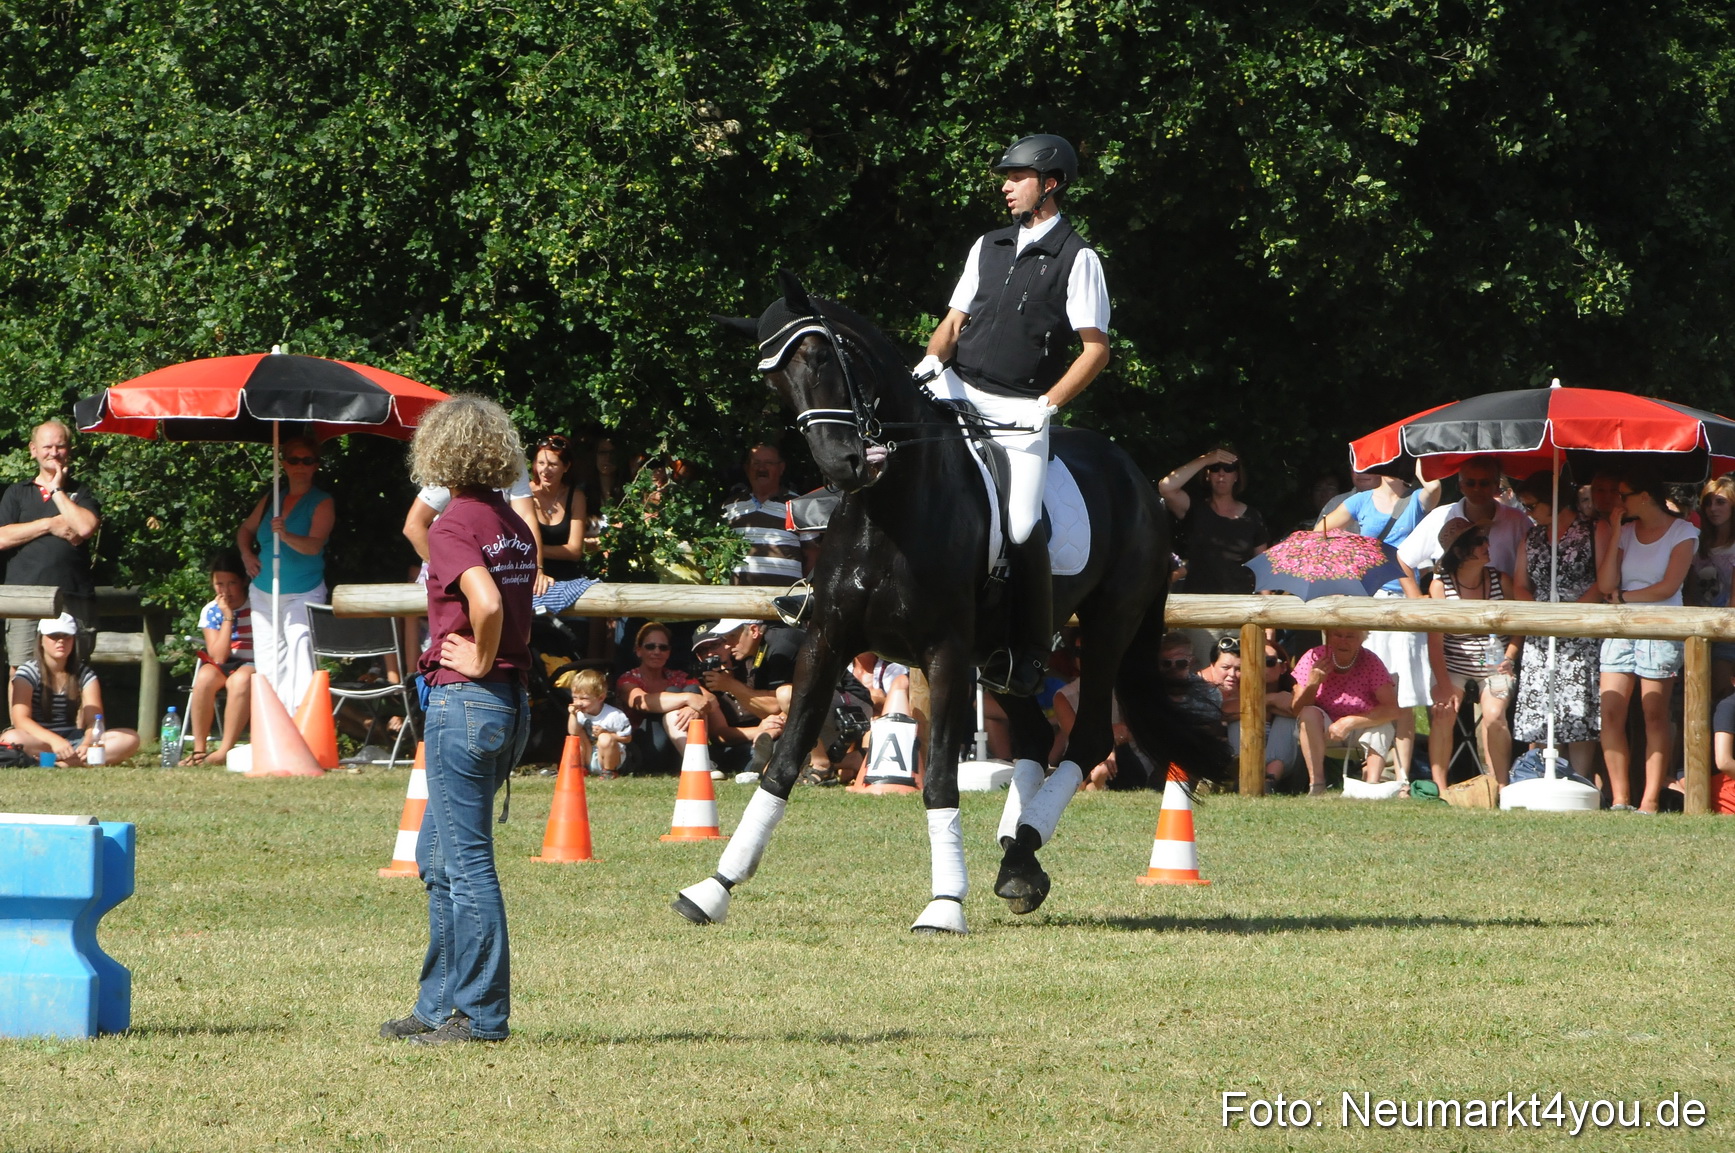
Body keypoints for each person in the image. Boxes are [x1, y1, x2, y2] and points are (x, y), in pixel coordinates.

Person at [915, 133, 1111, 696]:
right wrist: (929, 362)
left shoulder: (1078, 257)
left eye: (1017, 177)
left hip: (1020, 407)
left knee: (1023, 525)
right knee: (886, 454)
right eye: (1006, 177)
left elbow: (1095, 350)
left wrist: (1048, 406)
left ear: (1050, 184)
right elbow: (954, 322)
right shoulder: (988, 245)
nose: (1006, 186)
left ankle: (1028, 649)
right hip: (956, 388)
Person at [381, 394, 535, 1046]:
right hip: (509, 704)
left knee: (467, 865)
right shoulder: (512, 523)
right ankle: (436, 1005)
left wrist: (480, 656)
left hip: (466, 701)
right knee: (436, 857)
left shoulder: (451, 526)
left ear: (439, 454)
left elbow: (486, 601)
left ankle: (480, 1017)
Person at [1319, 464, 1442, 778]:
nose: (1390, 467)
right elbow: (1320, 532)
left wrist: (1415, 458)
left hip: (1404, 602)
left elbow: (1434, 487)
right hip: (1369, 601)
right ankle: (1372, 770)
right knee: (1374, 689)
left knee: (1404, 696)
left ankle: (1402, 778)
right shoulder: (1361, 500)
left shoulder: (1416, 499)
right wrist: (1347, 557)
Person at [1597, 468, 1698, 813]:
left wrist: (1623, 597)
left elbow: (1668, 587)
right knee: (1611, 710)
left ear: (1644, 496)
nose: (1617, 500)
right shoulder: (1626, 531)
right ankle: (1620, 798)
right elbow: (1606, 583)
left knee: (1654, 713)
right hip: (1621, 627)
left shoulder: (1683, 532)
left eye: (1623, 495)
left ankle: (1650, 800)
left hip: (1660, 625)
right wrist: (1615, 532)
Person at [1509, 472, 1602, 778]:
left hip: (1580, 631)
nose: (1528, 512)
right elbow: (1521, 584)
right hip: (1541, 632)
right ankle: (1539, 775)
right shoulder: (1533, 536)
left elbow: (1601, 582)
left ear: (1554, 500)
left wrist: (1570, 617)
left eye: (1532, 505)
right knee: (1541, 711)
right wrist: (1539, 615)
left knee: (1578, 712)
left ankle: (1581, 779)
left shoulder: (1591, 531)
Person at [237, 435, 333, 713]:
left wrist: (286, 535)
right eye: (294, 460)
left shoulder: (322, 501)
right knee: (268, 658)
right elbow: (245, 530)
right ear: (284, 464)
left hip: (303, 591)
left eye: (307, 460)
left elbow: (314, 546)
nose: (300, 466)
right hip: (263, 590)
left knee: (300, 647)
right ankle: (273, 720)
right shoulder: (272, 498)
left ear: (315, 465)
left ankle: (301, 718)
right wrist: (247, 555)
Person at [0, 420, 102, 666]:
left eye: (60, 446)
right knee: (21, 672)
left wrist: (57, 491)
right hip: (24, 599)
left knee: (73, 672)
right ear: (33, 450)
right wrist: (49, 525)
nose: (54, 453)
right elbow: (2, 538)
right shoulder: (17, 492)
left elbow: (85, 527)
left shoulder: (81, 493)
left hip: (71, 595)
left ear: (69, 450)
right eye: (47, 447)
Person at [1426, 519, 1518, 788]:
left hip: (1495, 665)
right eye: (1478, 542)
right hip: (1453, 665)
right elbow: (1435, 643)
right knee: (1443, 713)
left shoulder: (1501, 580)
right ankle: (1440, 788)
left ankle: (1501, 787)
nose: (1487, 545)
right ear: (1459, 551)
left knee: (1494, 714)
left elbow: (1520, 626)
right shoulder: (1440, 586)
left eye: (1486, 539)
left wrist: (1510, 657)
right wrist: (1444, 685)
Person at [2, 613, 138, 765]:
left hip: (74, 740)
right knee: (12, 738)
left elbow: (95, 720)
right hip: (39, 740)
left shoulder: (84, 674)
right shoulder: (27, 673)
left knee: (129, 738)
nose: (61, 641)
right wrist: (54, 740)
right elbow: (21, 719)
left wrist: (87, 743)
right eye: (54, 636)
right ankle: (79, 761)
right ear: (41, 640)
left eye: (67, 636)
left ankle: (58, 762)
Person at [1293, 628, 1401, 795]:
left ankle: (1371, 786)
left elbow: (1392, 710)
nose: (1343, 641)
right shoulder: (1313, 657)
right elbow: (1297, 710)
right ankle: (1317, 786)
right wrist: (1313, 684)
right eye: (1337, 635)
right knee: (1308, 713)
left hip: (1361, 728)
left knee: (1382, 725)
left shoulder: (1370, 661)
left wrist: (1350, 722)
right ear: (1328, 636)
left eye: (1350, 636)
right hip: (1324, 730)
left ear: (1362, 639)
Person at [1397, 456, 1531, 585]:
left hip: (1503, 598)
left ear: (1496, 486)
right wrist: (1416, 596)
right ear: (1461, 486)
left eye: (1484, 483)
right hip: (1449, 599)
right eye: (1470, 483)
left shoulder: (1517, 520)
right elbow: (1402, 559)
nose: (1477, 488)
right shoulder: (1440, 516)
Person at [1159, 446, 1268, 596]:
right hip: (1198, 603)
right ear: (1207, 475)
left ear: (1236, 476)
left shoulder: (1253, 517)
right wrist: (1206, 459)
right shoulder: (1194, 509)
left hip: (1241, 604)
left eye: (1228, 468)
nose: (1221, 473)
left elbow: (1262, 566)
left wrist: (1267, 603)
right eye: (1215, 468)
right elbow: (1166, 487)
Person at [180, 551, 255, 766]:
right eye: (219, 584)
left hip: (253, 662)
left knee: (239, 680)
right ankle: (199, 750)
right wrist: (228, 617)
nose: (225, 591)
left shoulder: (257, 605)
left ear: (243, 582)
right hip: (225, 662)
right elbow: (219, 657)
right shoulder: (212, 611)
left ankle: (224, 750)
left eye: (231, 583)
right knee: (204, 677)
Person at [616, 621, 715, 774]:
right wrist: (688, 699)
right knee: (676, 692)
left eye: (663, 647)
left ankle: (697, 758)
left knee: (692, 690)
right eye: (650, 646)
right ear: (638, 651)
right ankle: (699, 761)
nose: (657, 652)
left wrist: (693, 708)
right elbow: (643, 702)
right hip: (648, 750)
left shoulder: (678, 676)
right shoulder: (628, 679)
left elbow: (710, 699)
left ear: (669, 652)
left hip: (676, 750)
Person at [724, 445, 817, 587]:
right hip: (737, 597)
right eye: (756, 463)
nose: (761, 468)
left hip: (785, 597)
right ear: (747, 468)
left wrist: (804, 591)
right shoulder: (731, 506)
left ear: (781, 468)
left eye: (768, 463)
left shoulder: (799, 505)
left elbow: (812, 554)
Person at [1689, 475, 1735, 699]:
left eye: (1720, 502)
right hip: (1698, 627)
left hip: (1728, 628)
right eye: (1708, 503)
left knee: (1723, 693)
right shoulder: (1697, 542)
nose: (1713, 509)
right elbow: (1689, 590)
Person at [528, 434, 588, 583]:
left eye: (553, 465)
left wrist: (534, 549)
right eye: (541, 463)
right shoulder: (525, 495)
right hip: (530, 578)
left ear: (566, 467)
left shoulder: (576, 497)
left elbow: (575, 551)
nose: (545, 470)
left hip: (567, 578)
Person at [565, 668, 631, 778]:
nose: (578, 703)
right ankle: (581, 767)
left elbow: (627, 738)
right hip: (589, 754)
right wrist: (573, 715)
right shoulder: (579, 713)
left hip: (609, 757)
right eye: (575, 698)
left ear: (600, 698)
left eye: (584, 698)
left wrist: (605, 733)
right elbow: (573, 732)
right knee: (577, 734)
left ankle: (609, 771)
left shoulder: (614, 715)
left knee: (605, 738)